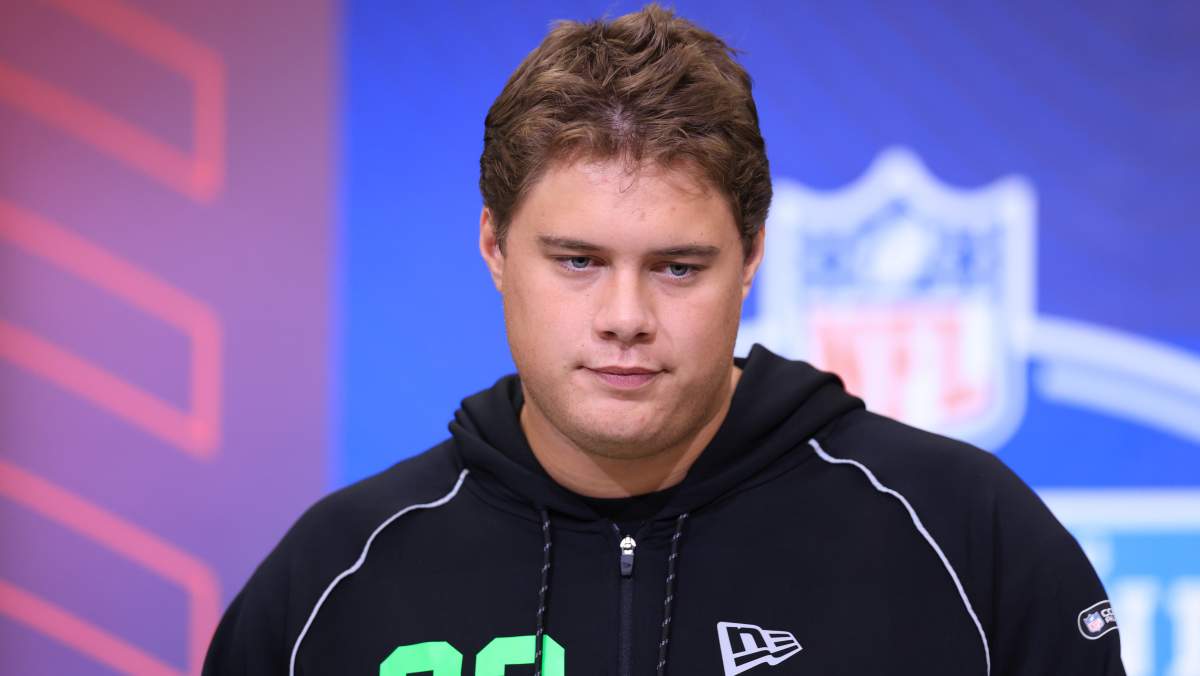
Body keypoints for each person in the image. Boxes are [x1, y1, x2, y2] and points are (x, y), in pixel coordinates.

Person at [203, 5, 1125, 675]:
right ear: (494, 247)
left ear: (751, 256)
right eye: (577, 261)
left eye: (678, 267)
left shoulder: (962, 535)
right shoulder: (336, 574)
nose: (626, 316)